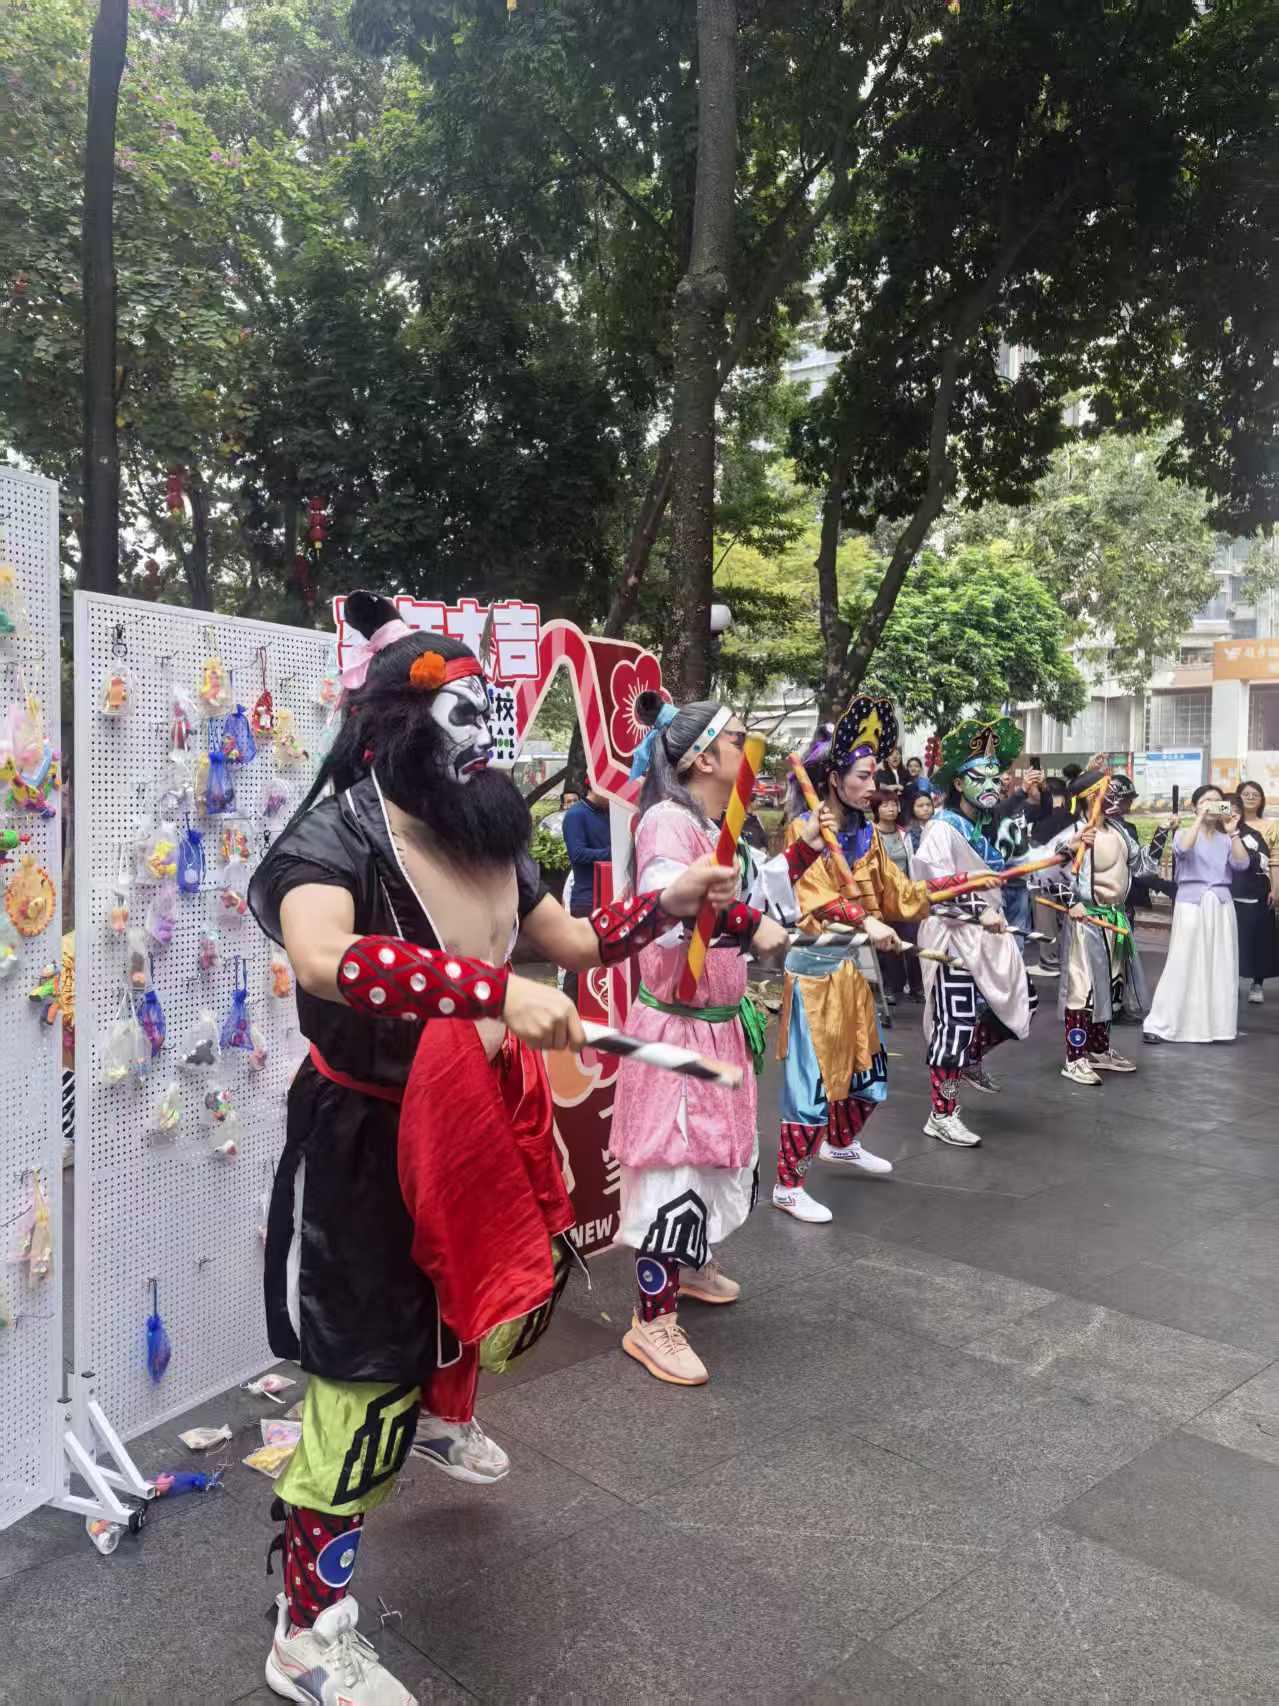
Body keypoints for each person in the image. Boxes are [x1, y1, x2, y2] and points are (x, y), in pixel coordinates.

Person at [247, 592, 736, 1703]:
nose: (487, 751)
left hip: (477, 1112)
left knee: (492, 1295)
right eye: (462, 725)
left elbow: (574, 940)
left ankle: (438, 1417)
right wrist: (493, 992)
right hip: (367, 1137)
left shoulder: (490, 835)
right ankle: (306, 1630)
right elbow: (323, 957)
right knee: (362, 1372)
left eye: (492, 725)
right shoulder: (331, 839)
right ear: (399, 731)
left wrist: (668, 898)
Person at [611, 694, 825, 1385]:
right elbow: (669, 907)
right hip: (676, 1026)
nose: (745, 747)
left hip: (718, 1024)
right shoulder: (666, 823)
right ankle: (652, 1320)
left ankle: (694, 1266)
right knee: (671, 1167)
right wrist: (749, 927)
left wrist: (803, 850)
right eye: (736, 738)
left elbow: (760, 892)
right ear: (703, 757)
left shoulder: (714, 824)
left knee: (712, 1158)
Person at [773, 699, 957, 1219]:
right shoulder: (803, 830)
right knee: (810, 1086)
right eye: (863, 775)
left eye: (874, 774)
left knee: (868, 1077)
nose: (873, 785)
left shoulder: (867, 835)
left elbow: (900, 894)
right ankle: (788, 1185)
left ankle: (840, 1143)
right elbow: (812, 898)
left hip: (851, 973)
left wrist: (962, 886)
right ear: (834, 779)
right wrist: (865, 921)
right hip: (812, 978)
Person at [912, 718, 1046, 1146]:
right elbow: (932, 887)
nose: (991, 784)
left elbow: (1021, 866)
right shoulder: (941, 828)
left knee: (1024, 1000)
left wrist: (1065, 854)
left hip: (989, 932)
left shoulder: (990, 825)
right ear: (957, 782)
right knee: (954, 1023)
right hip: (953, 934)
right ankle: (942, 1113)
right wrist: (976, 909)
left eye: (995, 776)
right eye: (979, 776)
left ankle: (968, 1057)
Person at [1038, 770, 1162, 1084]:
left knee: (1111, 987)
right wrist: (1071, 902)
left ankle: (1099, 1050)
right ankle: (1075, 1058)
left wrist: (1163, 833)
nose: (1121, 801)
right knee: (1083, 991)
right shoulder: (1074, 832)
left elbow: (1143, 867)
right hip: (1086, 920)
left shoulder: (1120, 831)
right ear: (1092, 796)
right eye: (1112, 793)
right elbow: (1044, 875)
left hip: (1115, 918)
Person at [1144, 784, 1252, 1044]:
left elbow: (1242, 864)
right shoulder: (1183, 833)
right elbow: (1183, 849)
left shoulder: (1226, 839)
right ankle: (1162, 1022)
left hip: (1221, 906)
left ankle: (1215, 1026)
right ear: (1195, 806)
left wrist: (1233, 831)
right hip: (1191, 904)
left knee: (1220, 964)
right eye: (1206, 800)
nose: (1212, 805)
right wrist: (1199, 819)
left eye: (1217, 801)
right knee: (1183, 960)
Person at [989, 765, 1049, 956]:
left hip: (1020, 880)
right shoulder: (988, 809)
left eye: (1007, 775)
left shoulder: (1019, 805)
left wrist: (1043, 788)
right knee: (996, 935)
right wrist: (1022, 790)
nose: (1005, 780)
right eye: (999, 777)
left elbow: (1045, 811)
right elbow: (1000, 811)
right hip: (996, 881)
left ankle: (1017, 970)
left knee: (1018, 934)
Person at [561, 786, 613, 1004]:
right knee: (580, 958)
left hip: (610, 894)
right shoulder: (576, 815)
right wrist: (613, 852)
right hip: (587, 897)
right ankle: (570, 1007)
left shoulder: (611, 814)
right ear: (594, 785)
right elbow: (577, 853)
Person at [874, 790, 924, 1002]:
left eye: (894, 804)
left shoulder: (905, 834)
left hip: (905, 896)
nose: (891, 809)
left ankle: (917, 987)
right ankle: (891, 988)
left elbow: (912, 864)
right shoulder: (870, 834)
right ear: (876, 809)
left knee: (912, 939)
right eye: (885, 805)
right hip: (882, 897)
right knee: (887, 943)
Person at [1233, 782, 1279, 1003]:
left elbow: (1275, 860)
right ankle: (1231, 981)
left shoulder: (1270, 826)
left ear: (1262, 799)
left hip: (1259, 888)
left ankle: (1257, 983)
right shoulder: (1229, 823)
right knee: (1232, 937)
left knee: (1260, 937)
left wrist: (1275, 888)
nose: (1250, 797)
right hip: (1232, 888)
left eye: (1255, 794)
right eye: (1245, 794)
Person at [905, 784, 936, 851]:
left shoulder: (939, 825)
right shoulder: (909, 832)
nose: (925, 809)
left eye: (928, 805)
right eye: (920, 806)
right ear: (912, 809)